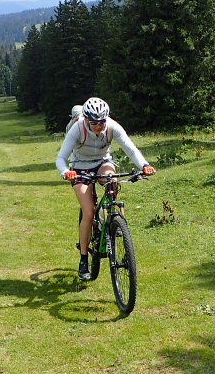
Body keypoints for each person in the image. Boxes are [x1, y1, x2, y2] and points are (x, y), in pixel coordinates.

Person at [56, 97, 155, 280]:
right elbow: (61, 158)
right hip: (79, 167)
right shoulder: (78, 128)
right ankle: (84, 259)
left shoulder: (112, 126)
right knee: (88, 212)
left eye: (101, 122)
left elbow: (130, 148)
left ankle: (113, 219)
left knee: (112, 179)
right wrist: (66, 172)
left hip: (103, 162)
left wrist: (144, 165)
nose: (99, 127)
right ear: (86, 119)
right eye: (94, 123)